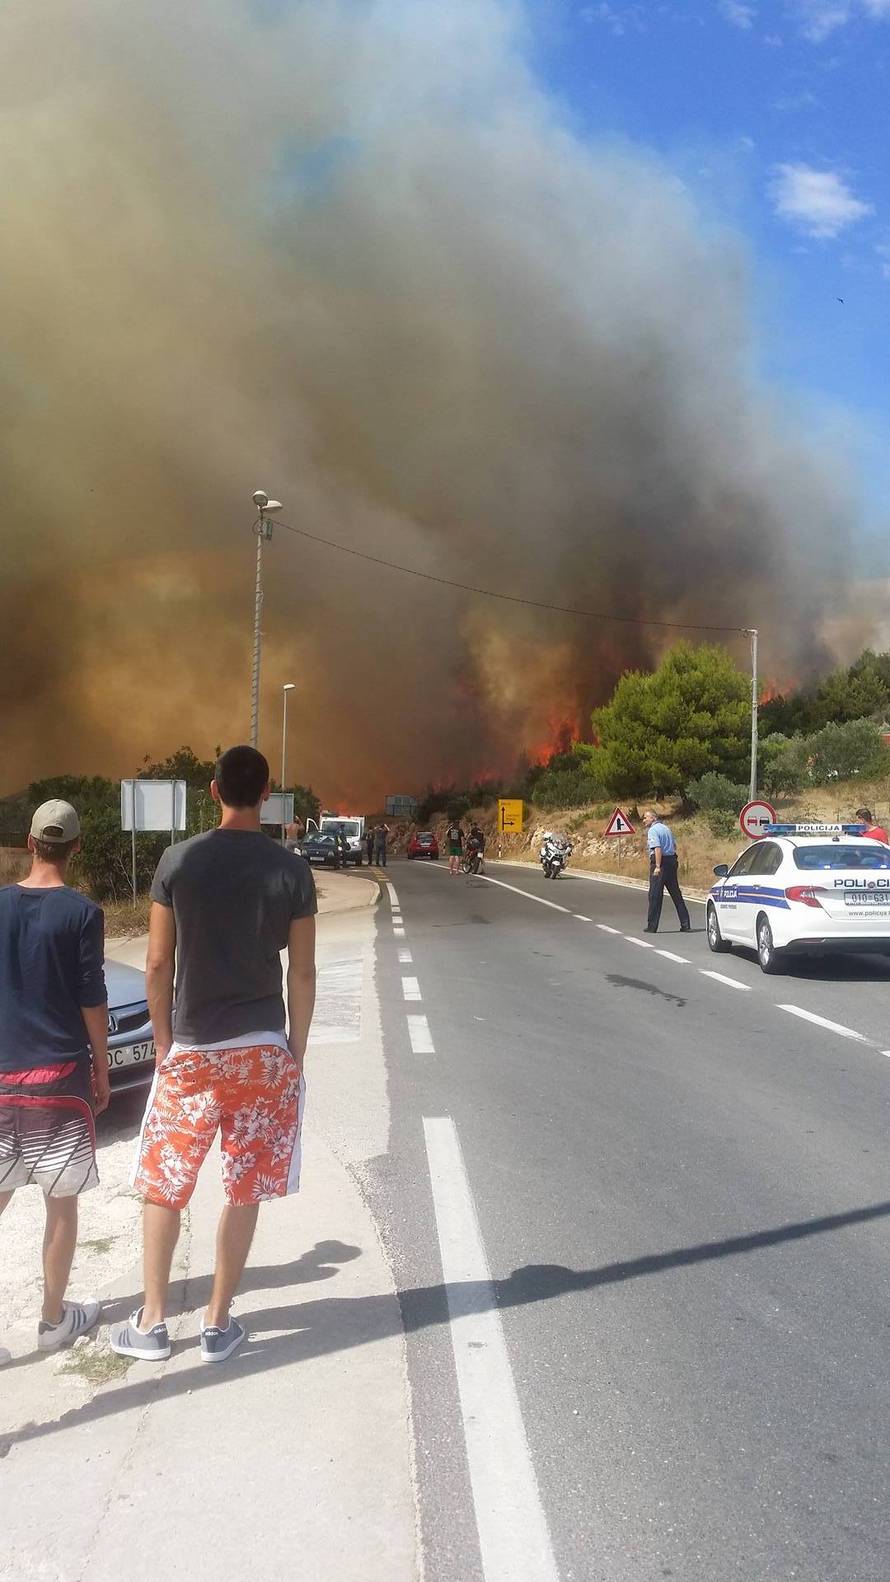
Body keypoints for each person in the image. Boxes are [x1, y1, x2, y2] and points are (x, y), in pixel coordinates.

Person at [111, 745, 317, 1366]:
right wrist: (294, 1051)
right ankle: (217, 1324)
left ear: (212, 790)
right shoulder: (291, 870)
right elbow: (302, 973)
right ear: (267, 791)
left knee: (165, 1183)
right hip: (260, 1051)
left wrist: (165, 1041)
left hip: (194, 1047)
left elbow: (154, 961)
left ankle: (151, 1324)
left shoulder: (179, 861)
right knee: (244, 1184)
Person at [0, 800, 109, 1362]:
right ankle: (52, 1321)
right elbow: (92, 997)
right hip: (59, 1085)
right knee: (60, 1205)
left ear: (29, 841)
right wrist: (103, 1066)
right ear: (77, 847)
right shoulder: (82, 913)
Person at [643, 810, 690, 934]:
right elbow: (674, 846)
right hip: (672, 861)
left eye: (646, 817)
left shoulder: (652, 831)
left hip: (661, 862)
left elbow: (657, 848)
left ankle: (652, 926)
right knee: (676, 894)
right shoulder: (666, 828)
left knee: (655, 895)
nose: (644, 820)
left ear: (653, 818)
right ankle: (685, 923)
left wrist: (658, 866)